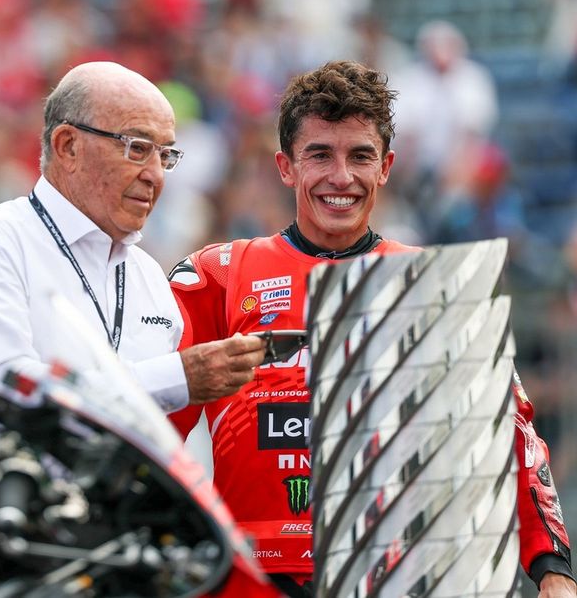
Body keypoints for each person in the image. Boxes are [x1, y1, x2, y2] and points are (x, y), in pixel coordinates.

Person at [169, 60, 575, 598]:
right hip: (251, 578)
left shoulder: (434, 283)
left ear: (385, 167)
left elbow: (509, 432)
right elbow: (152, 429)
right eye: (320, 155)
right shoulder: (218, 275)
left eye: (360, 156)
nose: (341, 177)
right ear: (285, 167)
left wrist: (552, 568)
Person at [0, 60, 267, 462]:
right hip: (0, 501)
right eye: (138, 148)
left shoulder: (148, 276)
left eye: (165, 155)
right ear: (68, 146)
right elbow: (9, 394)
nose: (156, 175)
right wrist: (177, 377)